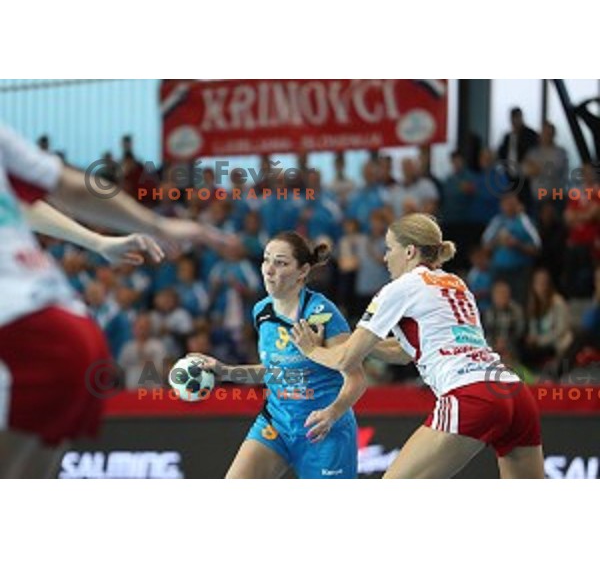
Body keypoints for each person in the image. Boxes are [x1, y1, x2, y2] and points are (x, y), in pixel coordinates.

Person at [0, 123, 233, 476]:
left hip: (28, 341)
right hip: (70, 333)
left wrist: (98, 241)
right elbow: (59, 190)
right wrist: (145, 228)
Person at [291, 213, 544, 479]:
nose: (386, 257)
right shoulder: (456, 283)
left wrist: (310, 349)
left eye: (390, 248)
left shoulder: (399, 288)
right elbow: (406, 351)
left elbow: (344, 360)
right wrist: (362, 343)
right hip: (513, 393)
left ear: (409, 251)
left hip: (470, 395)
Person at [188, 232, 366, 479]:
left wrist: (332, 413)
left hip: (323, 430)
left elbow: (356, 379)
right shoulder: (261, 311)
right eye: (266, 260)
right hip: (277, 424)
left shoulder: (321, 313)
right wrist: (225, 370)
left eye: (280, 263)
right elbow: (273, 371)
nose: (268, 270)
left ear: (302, 271)